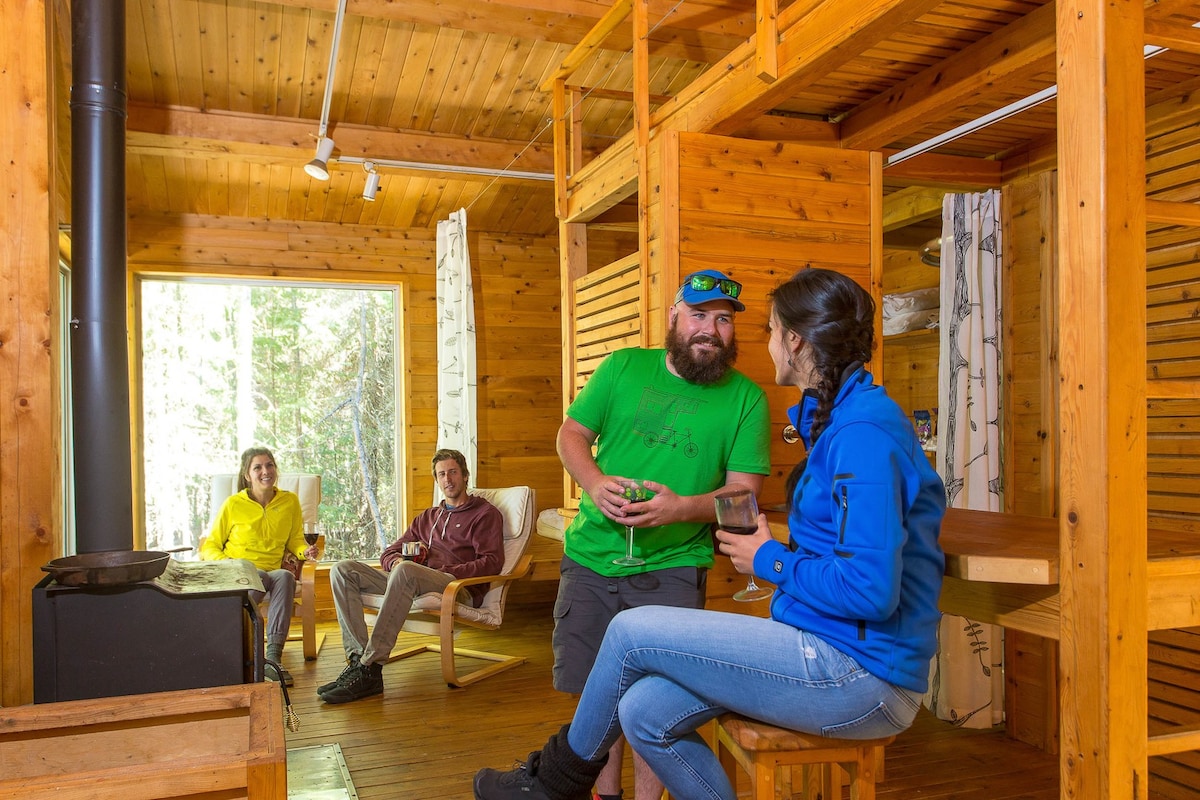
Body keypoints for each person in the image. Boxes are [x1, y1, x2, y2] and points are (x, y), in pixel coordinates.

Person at [473, 267, 946, 800]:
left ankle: (552, 785)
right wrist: (778, 554)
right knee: (642, 708)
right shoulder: (842, 420)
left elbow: (871, 591)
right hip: (823, 645)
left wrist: (770, 559)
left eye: (766, 329)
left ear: (794, 339)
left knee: (631, 633)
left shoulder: (861, 432)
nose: (763, 343)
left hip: (857, 676)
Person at [553, 269, 771, 800]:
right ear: (674, 315)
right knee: (593, 697)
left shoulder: (747, 399)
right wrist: (595, 481)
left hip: (674, 565)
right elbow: (572, 434)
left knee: (655, 698)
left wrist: (681, 509)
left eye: (723, 320)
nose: (710, 330)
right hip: (591, 558)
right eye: (699, 315)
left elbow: (742, 494)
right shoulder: (624, 366)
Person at [318, 448, 504, 704]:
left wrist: (441, 572)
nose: (447, 479)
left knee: (407, 571)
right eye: (441, 474)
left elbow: (492, 562)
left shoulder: (484, 514)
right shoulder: (428, 517)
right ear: (436, 480)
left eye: (452, 472)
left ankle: (371, 666)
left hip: (456, 587)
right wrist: (394, 561)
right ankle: (357, 662)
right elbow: (390, 551)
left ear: (465, 475)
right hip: (410, 581)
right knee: (343, 569)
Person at [201, 446, 317, 687]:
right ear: (247, 474)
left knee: (284, 576)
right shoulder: (233, 504)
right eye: (258, 467)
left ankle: (273, 657)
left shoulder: (290, 501)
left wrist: (304, 550)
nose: (266, 471)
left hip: (271, 572)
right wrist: (230, 565)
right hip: (242, 572)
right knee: (260, 575)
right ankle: (240, 651)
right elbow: (210, 546)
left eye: (270, 465)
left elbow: (295, 539)